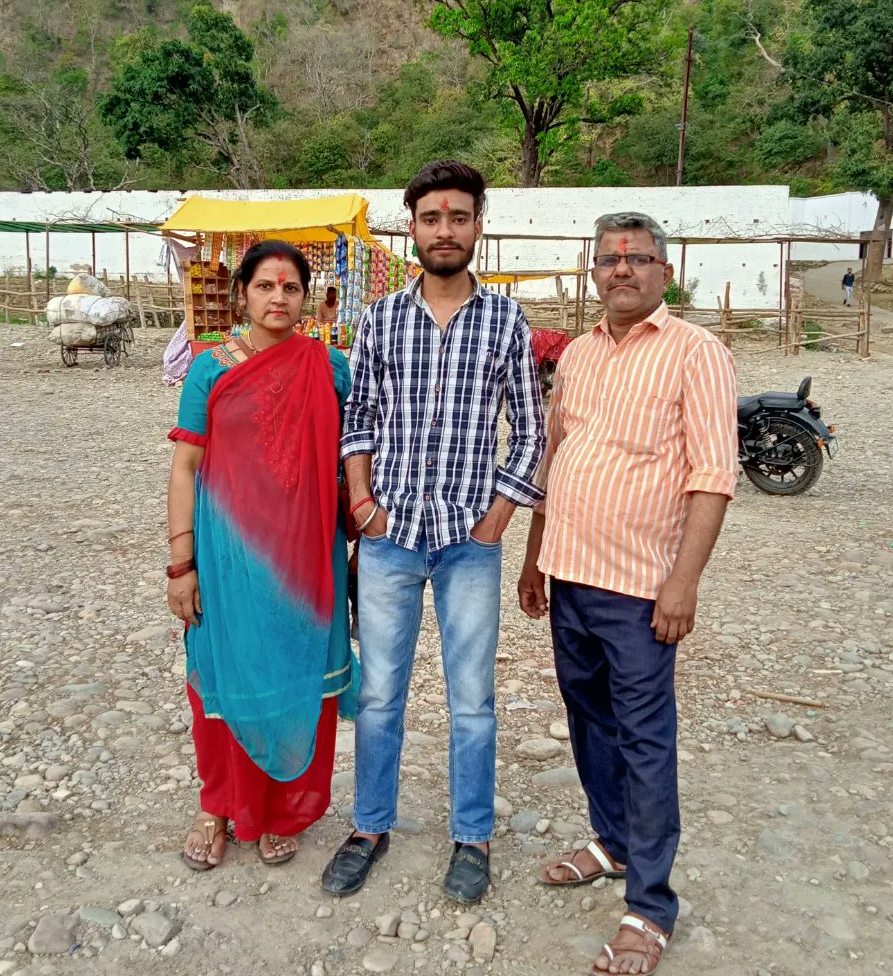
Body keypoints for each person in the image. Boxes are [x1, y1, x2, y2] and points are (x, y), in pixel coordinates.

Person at [518, 212, 737, 975]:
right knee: (588, 722)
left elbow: (713, 475)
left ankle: (650, 907)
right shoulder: (577, 355)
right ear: (594, 272)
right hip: (571, 576)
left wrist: (685, 582)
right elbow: (554, 458)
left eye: (638, 258)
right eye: (609, 259)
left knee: (645, 739)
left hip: (642, 590)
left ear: (663, 272)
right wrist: (534, 560)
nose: (622, 270)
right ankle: (611, 842)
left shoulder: (695, 353)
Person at [321, 161, 546, 903]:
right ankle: (370, 826)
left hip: (468, 546)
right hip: (387, 537)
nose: (444, 230)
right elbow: (361, 418)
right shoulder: (381, 318)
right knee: (381, 694)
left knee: (471, 700)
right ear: (411, 227)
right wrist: (362, 503)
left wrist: (498, 516)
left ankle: (471, 836)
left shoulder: (507, 320)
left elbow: (530, 430)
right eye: (430, 217)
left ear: (479, 225)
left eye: (459, 216)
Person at [166, 241, 358, 872]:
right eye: (265, 287)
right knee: (225, 673)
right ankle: (217, 807)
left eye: (291, 287)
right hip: (229, 557)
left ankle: (283, 809)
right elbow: (186, 465)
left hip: (305, 555)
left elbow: (354, 453)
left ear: (307, 296)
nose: (279, 298)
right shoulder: (210, 368)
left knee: (296, 672)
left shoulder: (330, 367)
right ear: (242, 293)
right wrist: (181, 563)